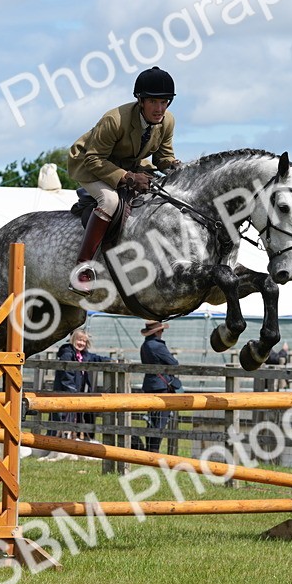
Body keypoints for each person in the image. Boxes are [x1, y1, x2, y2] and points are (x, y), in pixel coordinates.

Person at [67, 66, 182, 294]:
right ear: (140, 100)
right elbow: (94, 159)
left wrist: (178, 168)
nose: (160, 109)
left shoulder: (167, 121)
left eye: (165, 102)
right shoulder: (114, 120)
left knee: (163, 192)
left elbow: (163, 157)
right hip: (90, 163)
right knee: (109, 202)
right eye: (154, 102)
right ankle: (82, 270)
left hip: (127, 163)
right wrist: (128, 178)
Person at [41, 330, 110, 462]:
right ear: (73, 340)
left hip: (75, 393)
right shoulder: (67, 353)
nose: (81, 343)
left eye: (84, 341)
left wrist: (110, 360)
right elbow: (67, 374)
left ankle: (70, 447)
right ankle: (55, 447)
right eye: (79, 340)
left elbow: (95, 358)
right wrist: (71, 391)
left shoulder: (83, 355)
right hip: (65, 393)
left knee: (73, 419)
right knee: (62, 419)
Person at [139, 320, 182, 453]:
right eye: (162, 330)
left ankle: (150, 449)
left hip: (150, 385)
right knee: (161, 421)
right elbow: (174, 363)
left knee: (152, 419)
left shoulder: (145, 345)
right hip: (161, 386)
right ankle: (154, 450)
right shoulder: (157, 346)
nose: (162, 333)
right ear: (158, 331)